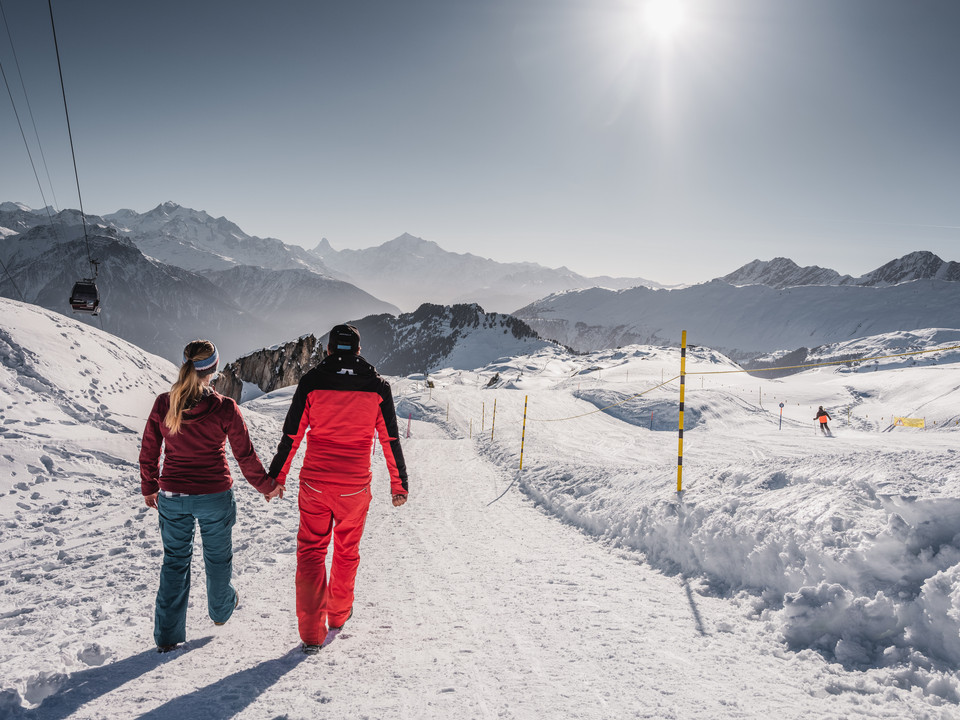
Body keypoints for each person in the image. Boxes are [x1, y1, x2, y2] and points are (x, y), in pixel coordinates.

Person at [267, 324, 408, 655]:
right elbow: (389, 439)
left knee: (311, 552)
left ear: (328, 350)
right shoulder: (377, 387)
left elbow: (292, 435)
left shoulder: (312, 382)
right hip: (354, 489)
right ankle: (340, 614)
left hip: (315, 484)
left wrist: (277, 477)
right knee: (346, 551)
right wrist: (398, 484)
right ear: (358, 351)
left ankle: (312, 634)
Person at [139, 339, 284, 653]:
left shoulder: (165, 403)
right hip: (214, 495)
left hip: (173, 496)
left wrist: (150, 486)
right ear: (214, 369)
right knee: (218, 559)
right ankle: (220, 612)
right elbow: (245, 456)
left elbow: (150, 450)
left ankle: (167, 637)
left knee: (175, 562)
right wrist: (267, 486)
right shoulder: (224, 407)